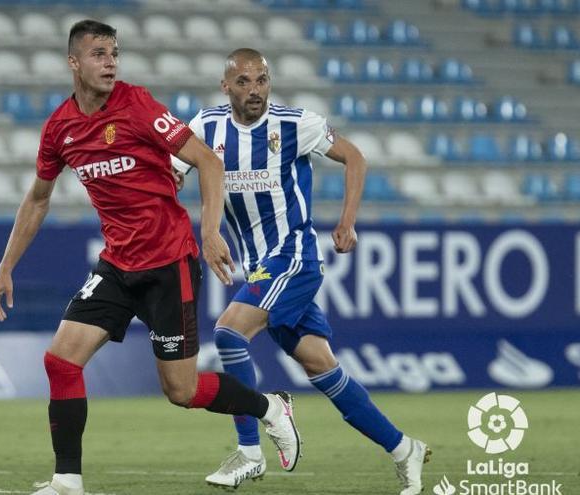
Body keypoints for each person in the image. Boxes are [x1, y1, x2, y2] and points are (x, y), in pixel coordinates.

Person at [0, 20, 301, 495]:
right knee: (61, 362)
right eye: (98, 53)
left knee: (182, 391)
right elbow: (37, 199)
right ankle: (67, 480)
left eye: (114, 52)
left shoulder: (137, 105)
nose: (110, 61)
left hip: (168, 263)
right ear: (74, 62)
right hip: (117, 266)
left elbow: (208, 161)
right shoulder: (59, 128)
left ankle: (271, 408)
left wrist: (210, 230)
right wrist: (5, 267)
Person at [172, 49, 430, 494]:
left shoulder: (295, 123)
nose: (255, 90)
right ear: (225, 86)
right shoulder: (205, 126)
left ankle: (251, 450)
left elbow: (355, 157)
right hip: (259, 268)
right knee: (322, 368)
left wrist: (347, 221)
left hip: (293, 258)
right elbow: (171, 171)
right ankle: (404, 448)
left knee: (230, 334)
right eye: (244, 82)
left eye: (262, 81)